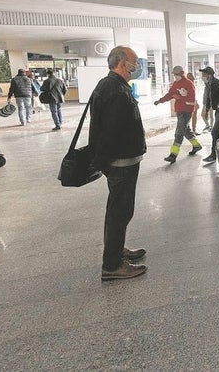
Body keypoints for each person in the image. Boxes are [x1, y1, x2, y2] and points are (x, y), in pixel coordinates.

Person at [88, 46, 148, 281]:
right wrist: (104, 163)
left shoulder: (112, 85)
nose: (137, 66)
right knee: (120, 212)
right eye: (134, 61)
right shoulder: (115, 89)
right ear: (123, 63)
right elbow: (109, 132)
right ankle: (112, 265)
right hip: (121, 162)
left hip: (121, 160)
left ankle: (116, 251)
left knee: (118, 211)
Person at [154, 65, 202, 163]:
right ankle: (196, 146)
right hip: (179, 111)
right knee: (186, 131)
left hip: (187, 111)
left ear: (182, 73)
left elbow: (192, 99)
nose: (175, 76)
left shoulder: (189, 84)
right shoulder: (175, 84)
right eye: (174, 74)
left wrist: (180, 98)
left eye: (177, 74)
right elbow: (170, 95)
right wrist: (160, 101)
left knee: (179, 132)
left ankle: (173, 154)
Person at [200, 66, 219, 163]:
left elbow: (214, 97)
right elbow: (208, 97)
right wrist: (206, 108)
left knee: (215, 132)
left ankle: (214, 154)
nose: (203, 77)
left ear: (210, 75)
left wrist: (211, 107)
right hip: (218, 110)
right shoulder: (208, 84)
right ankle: (217, 153)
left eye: (204, 75)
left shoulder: (216, 84)